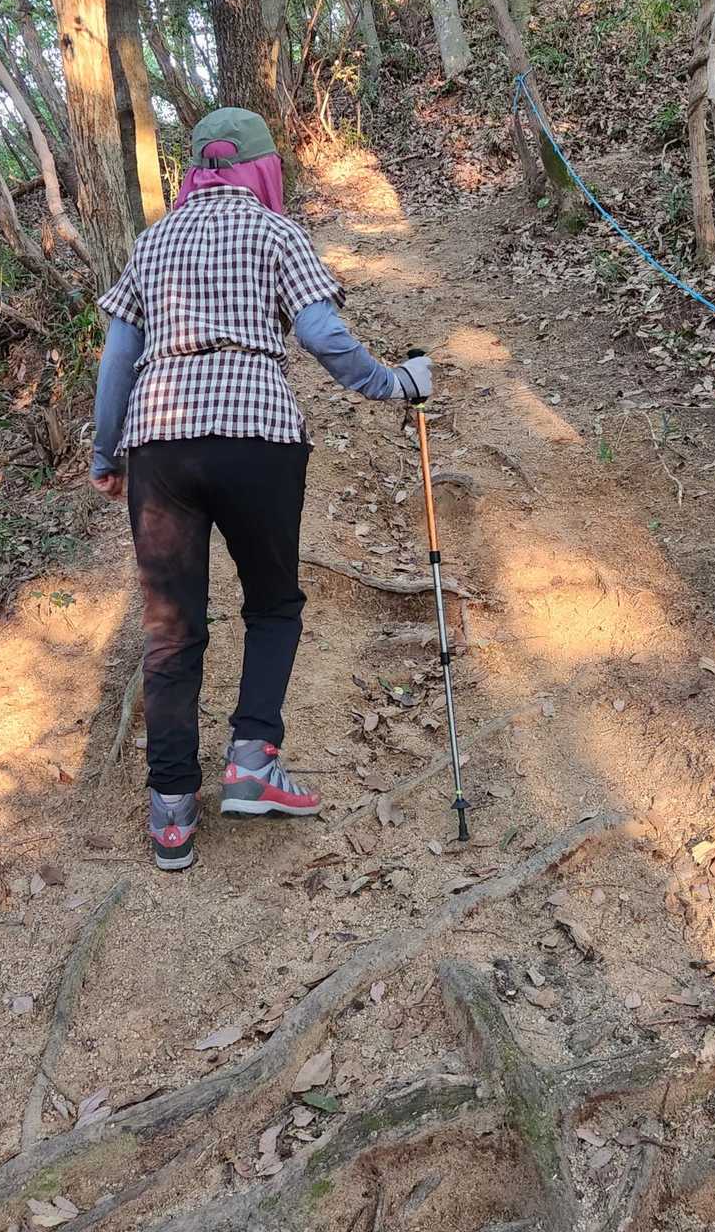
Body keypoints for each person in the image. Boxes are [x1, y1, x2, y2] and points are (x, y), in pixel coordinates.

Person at [91, 108, 432, 871]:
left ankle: (172, 811)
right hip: (259, 435)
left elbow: (119, 355)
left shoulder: (153, 242)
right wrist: (393, 383)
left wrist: (105, 452)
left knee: (171, 628)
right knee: (273, 604)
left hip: (160, 442)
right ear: (262, 167)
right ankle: (252, 763)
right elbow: (322, 336)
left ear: (195, 169)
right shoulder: (277, 234)